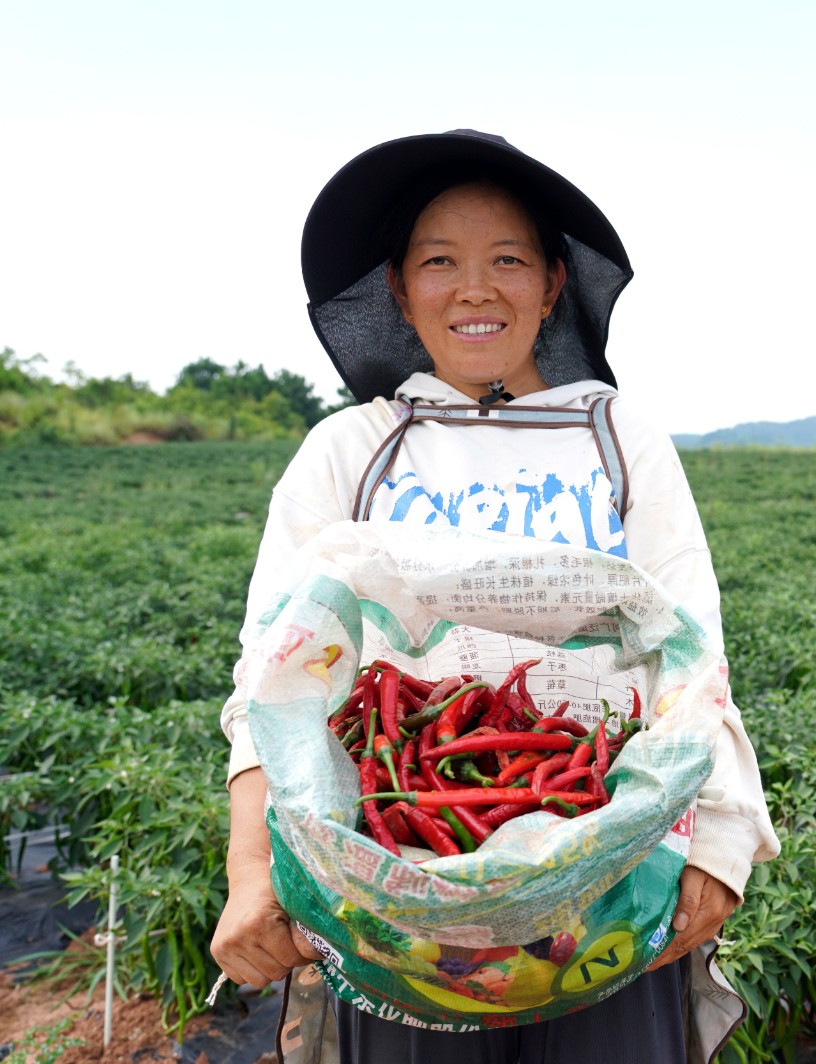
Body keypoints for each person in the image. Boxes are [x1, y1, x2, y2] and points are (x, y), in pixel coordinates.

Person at [209, 129, 780, 1064]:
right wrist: (250, 867)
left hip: (604, 870)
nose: (475, 288)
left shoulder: (616, 438)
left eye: (507, 260)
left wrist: (719, 842)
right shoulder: (349, 451)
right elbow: (272, 680)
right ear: (399, 288)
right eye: (441, 262)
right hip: (394, 893)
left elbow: (694, 655)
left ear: (554, 284)